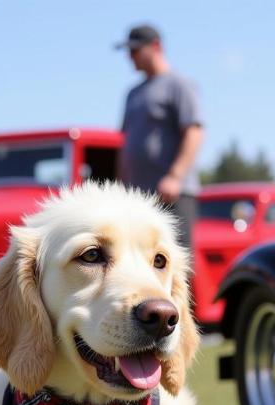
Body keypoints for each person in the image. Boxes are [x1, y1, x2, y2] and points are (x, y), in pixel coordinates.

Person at [115, 24, 203, 251]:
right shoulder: (133, 93)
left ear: (155, 46)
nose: (130, 57)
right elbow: (124, 142)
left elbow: (194, 131)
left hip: (171, 195)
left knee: (174, 260)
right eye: (129, 51)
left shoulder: (178, 85)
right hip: (139, 196)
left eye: (135, 50)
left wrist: (175, 176)